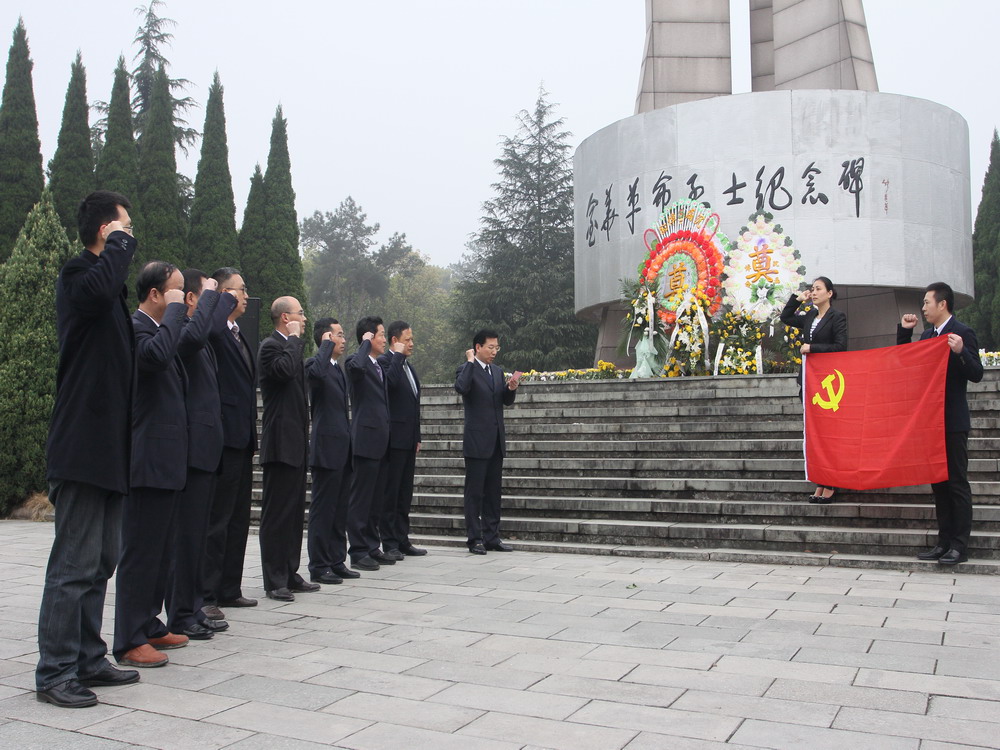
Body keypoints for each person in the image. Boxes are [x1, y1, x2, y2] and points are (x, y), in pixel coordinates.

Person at [36, 191, 140, 708]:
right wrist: (118, 247)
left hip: (109, 449)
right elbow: (97, 293)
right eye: (125, 227)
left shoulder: (109, 289)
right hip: (80, 446)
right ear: (105, 230)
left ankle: (87, 657)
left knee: (101, 560)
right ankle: (55, 671)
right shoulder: (79, 275)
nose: (132, 235)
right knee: (73, 565)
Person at [114, 261, 191, 669]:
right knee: (141, 551)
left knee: (161, 551)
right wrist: (176, 312)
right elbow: (155, 359)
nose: (183, 297)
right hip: (147, 460)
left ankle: (149, 622)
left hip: (168, 458)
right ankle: (129, 638)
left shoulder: (163, 330)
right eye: (176, 290)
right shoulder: (136, 328)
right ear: (155, 293)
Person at [164, 269, 237, 640]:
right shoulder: (183, 331)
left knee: (197, 537)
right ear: (191, 299)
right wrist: (214, 295)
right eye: (206, 293)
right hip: (192, 451)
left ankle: (192, 607)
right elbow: (192, 338)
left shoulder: (203, 335)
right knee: (187, 537)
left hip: (207, 451)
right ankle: (180, 613)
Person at [898, 282, 984, 565]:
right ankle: (944, 541)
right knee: (939, 485)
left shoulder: (962, 333)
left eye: (927, 302)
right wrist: (905, 333)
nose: (923, 308)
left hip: (953, 421)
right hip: (931, 423)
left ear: (942, 304)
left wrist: (961, 352)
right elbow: (908, 365)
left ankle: (960, 545)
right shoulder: (927, 335)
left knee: (957, 484)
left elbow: (977, 374)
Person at [202, 268, 257, 620]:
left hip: (243, 437)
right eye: (240, 289)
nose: (246, 296)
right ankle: (207, 592)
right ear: (224, 294)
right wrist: (219, 303)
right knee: (217, 519)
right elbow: (207, 329)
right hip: (223, 437)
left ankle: (229, 587)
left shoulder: (238, 334)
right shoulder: (215, 329)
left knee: (238, 519)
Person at [257, 296, 320, 601]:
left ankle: (290, 571)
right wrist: (294, 340)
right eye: (300, 313)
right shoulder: (271, 346)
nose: (304, 318)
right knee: (277, 514)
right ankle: (274, 579)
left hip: (296, 442)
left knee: (294, 513)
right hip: (279, 442)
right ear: (285, 317)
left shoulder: (292, 350)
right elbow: (281, 372)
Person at [780, 276, 848, 503]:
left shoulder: (837, 317)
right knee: (814, 433)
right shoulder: (810, 315)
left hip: (828, 384)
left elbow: (841, 346)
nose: (814, 292)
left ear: (830, 293)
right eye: (812, 289)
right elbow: (786, 317)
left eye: (818, 289)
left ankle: (832, 481)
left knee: (828, 433)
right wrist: (797, 299)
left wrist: (813, 348)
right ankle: (821, 478)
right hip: (809, 381)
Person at [455, 329, 519, 554]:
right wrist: (470, 362)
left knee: (493, 493)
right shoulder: (466, 369)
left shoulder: (497, 371)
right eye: (490, 347)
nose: (494, 352)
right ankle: (474, 539)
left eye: (496, 347)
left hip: (495, 441)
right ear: (477, 347)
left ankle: (492, 537)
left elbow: (503, 400)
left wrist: (510, 389)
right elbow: (461, 388)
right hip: (476, 441)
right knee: (474, 493)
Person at [305, 318, 358, 584]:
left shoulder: (338, 369)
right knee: (323, 510)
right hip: (326, 449)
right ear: (326, 337)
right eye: (338, 335)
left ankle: (337, 560)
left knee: (339, 510)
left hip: (343, 448)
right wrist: (324, 347)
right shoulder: (316, 365)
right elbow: (315, 375)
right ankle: (319, 564)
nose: (344, 340)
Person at [345, 316, 393, 571]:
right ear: (369, 337)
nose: (384, 340)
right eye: (381, 335)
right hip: (365, 441)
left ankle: (373, 546)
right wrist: (363, 344)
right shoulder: (357, 361)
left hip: (381, 441)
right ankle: (358, 550)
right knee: (361, 499)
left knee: (376, 499)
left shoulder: (378, 366)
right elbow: (355, 368)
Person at [378, 321, 427, 557]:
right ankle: (389, 542)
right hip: (393, 440)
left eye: (412, 339)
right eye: (407, 340)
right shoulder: (385, 362)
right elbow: (391, 384)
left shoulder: (410, 368)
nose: (412, 344)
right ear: (394, 341)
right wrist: (397, 357)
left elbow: (414, 406)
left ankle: (402, 538)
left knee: (405, 493)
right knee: (391, 493)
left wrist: (417, 436)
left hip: (408, 440)